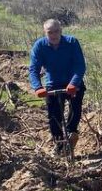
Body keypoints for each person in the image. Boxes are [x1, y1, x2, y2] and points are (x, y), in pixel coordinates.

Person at [29, 18, 86, 156]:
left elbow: (80, 65)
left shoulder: (72, 42)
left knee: (75, 109)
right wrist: (38, 87)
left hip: (72, 83)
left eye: (56, 31)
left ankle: (71, 134)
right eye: (50, 32)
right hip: (52, 84)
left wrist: (74, 83)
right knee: (53, 117)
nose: (53, 35)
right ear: (45, 33)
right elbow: (33, 69)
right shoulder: (40, 46)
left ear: (61, 31)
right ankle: (59, 145)